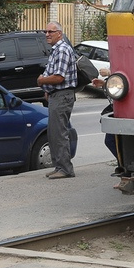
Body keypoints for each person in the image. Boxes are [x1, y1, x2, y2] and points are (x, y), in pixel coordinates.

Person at [36, 21, 78, 179]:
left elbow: (59, 77)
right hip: (56, 95)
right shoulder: (56, 50)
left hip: (62, 96)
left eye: (50, 32)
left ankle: (65, 169)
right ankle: (59, 166)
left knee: (59, 133)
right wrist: (47, 90)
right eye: (45, 31)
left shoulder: (62, 50)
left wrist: (42, 81)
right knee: (54, 133)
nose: (47, 34)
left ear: (59, 33)